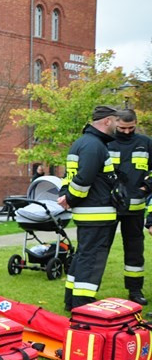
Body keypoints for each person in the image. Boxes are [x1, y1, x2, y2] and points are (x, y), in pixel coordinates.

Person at [58, 106, 120, 310]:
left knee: (83, 255)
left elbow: (71, 178)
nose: (118, 127)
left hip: (88, 212)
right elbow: (83, 180)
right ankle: (83, 304)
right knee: (91, 258)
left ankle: (71, 300)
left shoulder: (82, 143)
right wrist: (70, 198)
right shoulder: (94, 146)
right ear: (108, 121)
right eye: (116, 122)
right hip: (97, 213)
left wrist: (67, 197)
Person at [107, 109, 151, 305]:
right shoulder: (106, 142)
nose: (126, 132)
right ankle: (87, 292)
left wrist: (145, 187)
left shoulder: (146, 142)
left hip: (135, 207)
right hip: (109, 207)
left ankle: (135, 291)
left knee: (134, 251)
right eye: (122, 128)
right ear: (115, 123)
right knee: (99, 249)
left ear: (136, 123)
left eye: (130, 128)